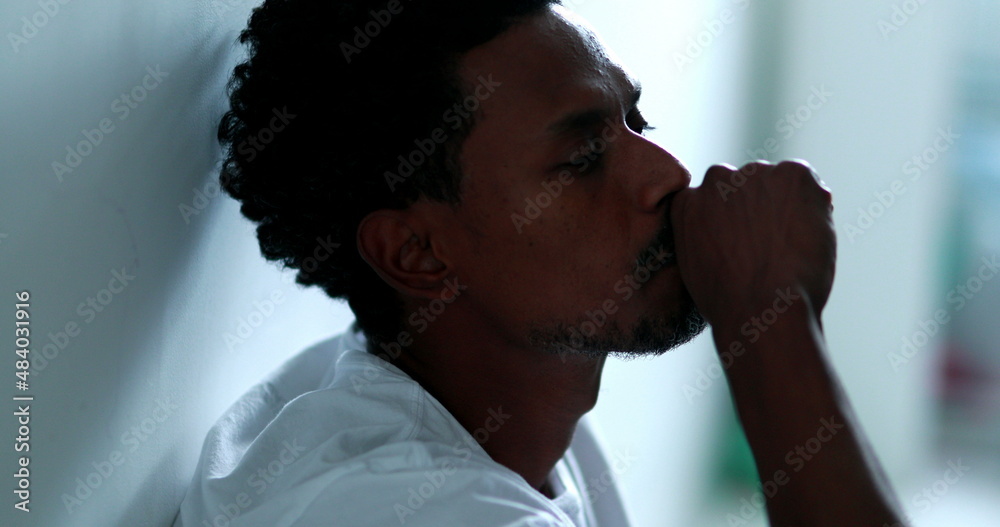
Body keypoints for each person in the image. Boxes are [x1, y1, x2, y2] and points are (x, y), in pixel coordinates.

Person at [174, 1, 908, 525]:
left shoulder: (471, 402)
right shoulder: (404, 507)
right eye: (583, 157)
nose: (669, 174)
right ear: (416, 251)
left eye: (636, 123)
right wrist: (769, 318)